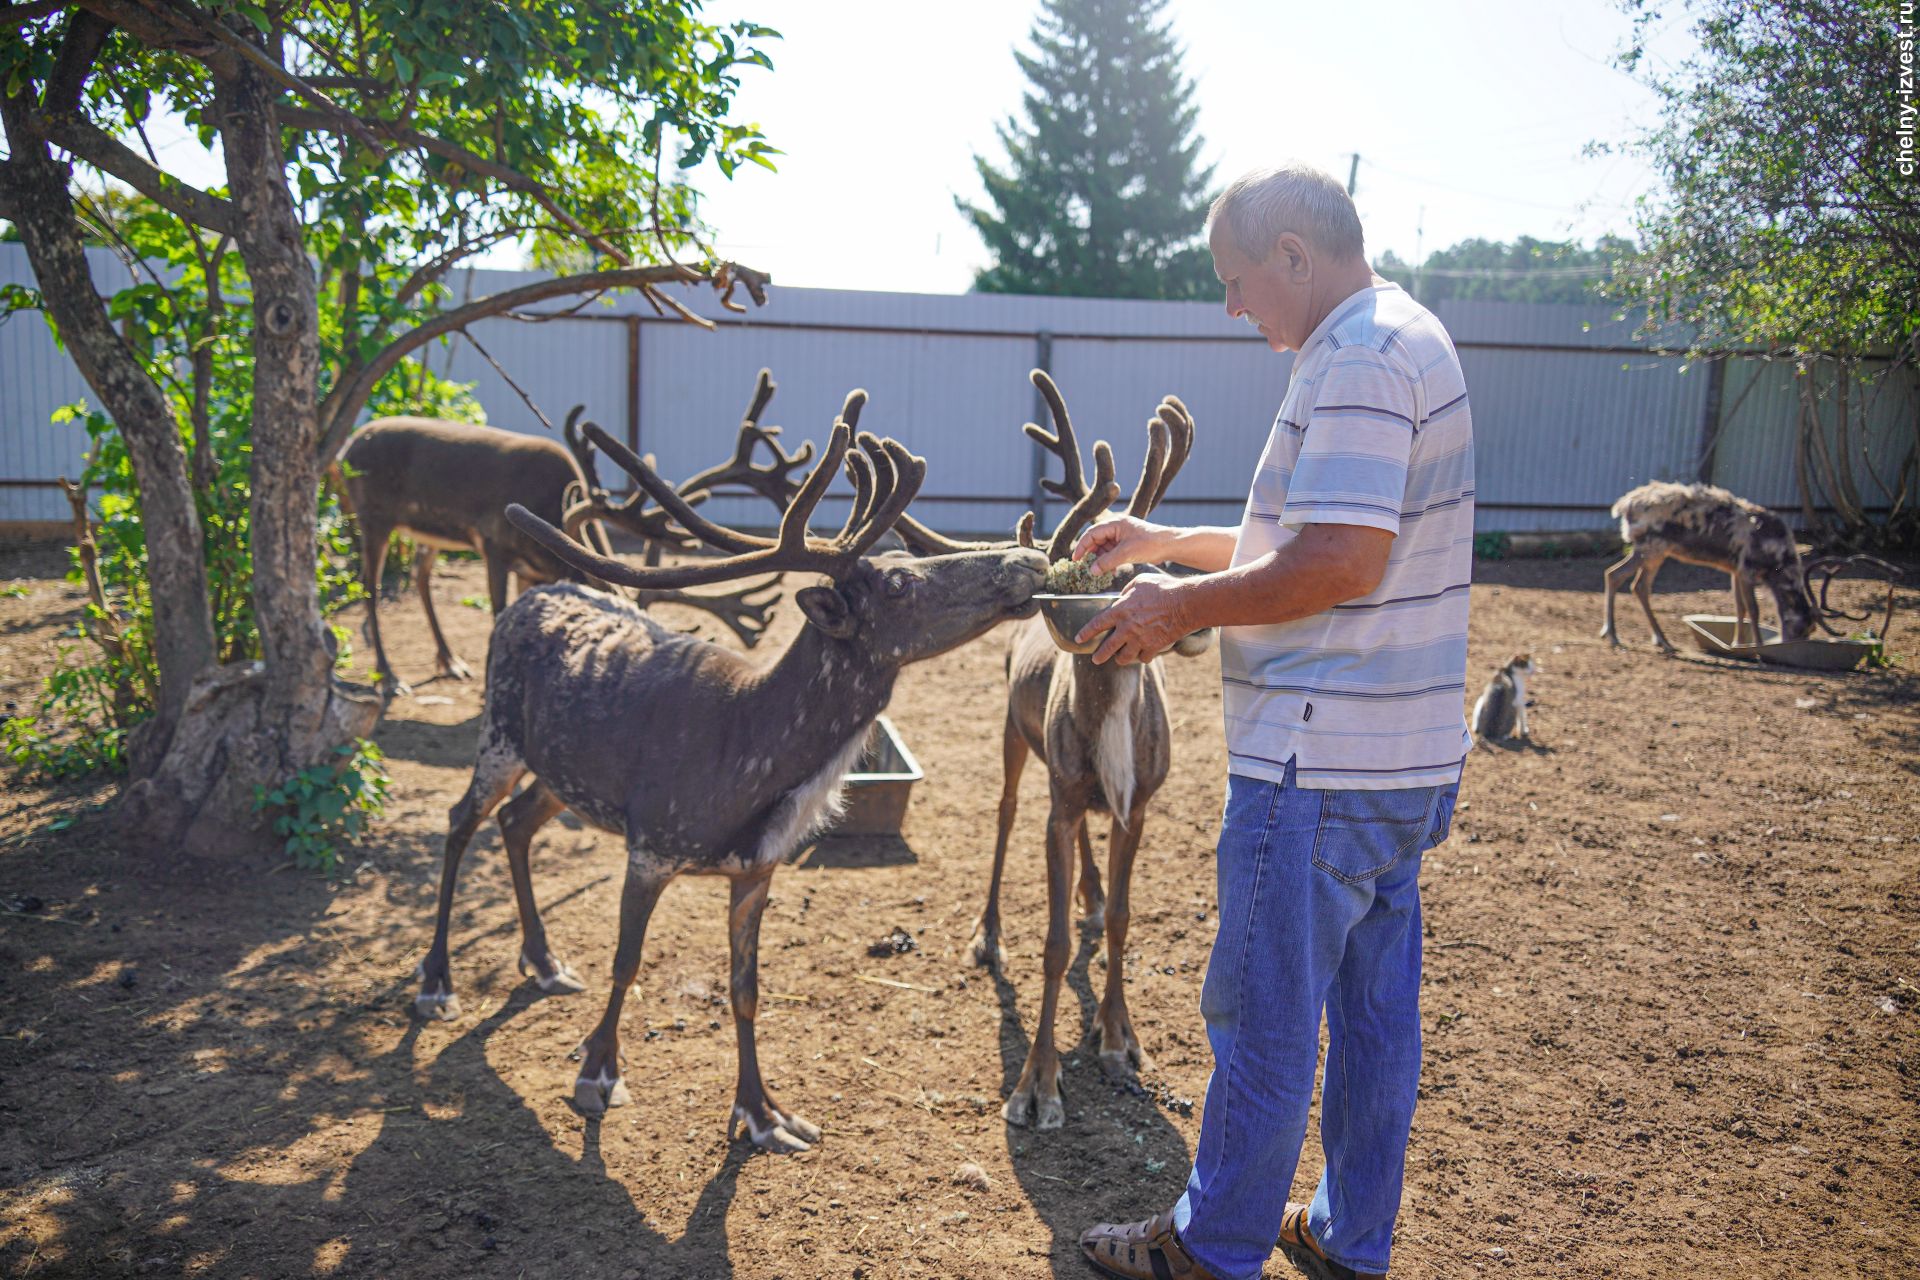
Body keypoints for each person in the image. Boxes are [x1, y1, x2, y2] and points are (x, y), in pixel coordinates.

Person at [1073, 163, 1475, 1280]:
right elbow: (1307, 535)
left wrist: (1174, 609)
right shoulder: (1409, 336)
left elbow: (1340, 559)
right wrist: (1163, 542)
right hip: (1398, 762)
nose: (1234, 306)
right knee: (1376, 1017)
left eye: (1240, 280)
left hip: (1317, 761)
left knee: (1262, 1016)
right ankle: (1352, 1233)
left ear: (1295, 255)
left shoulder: (1353, 359)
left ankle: (1213, 1244)